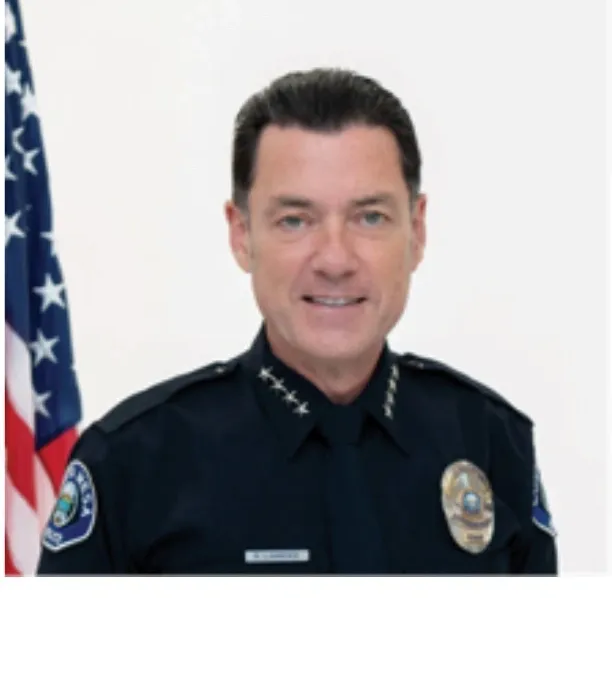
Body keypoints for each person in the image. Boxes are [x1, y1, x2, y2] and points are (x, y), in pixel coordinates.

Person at [37, 68, 557, 575]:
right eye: (295, 220)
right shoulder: (134, 463)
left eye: (370, 217)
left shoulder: (489, 441)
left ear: (417, 232)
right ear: (242, 235)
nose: (335, 259)